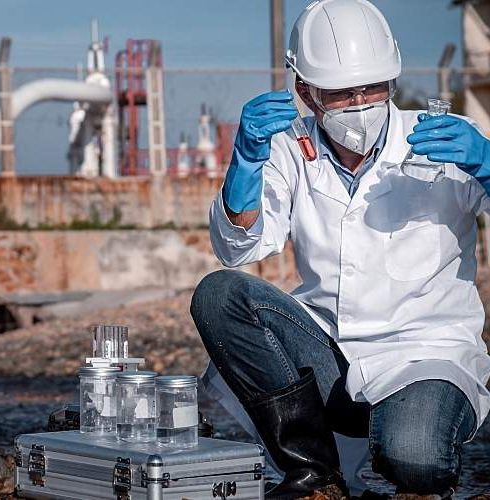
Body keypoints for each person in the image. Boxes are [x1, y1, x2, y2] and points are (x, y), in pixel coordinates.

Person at [190, 0, 490, 497]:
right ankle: (315, 473)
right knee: (220, 294)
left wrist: (486, 162)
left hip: (423, 354)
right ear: (305, 91)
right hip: (327, 354)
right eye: (341, 93)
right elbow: (238, 248)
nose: (359, 102)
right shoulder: (289, 146)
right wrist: (244, 162)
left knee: (415, 462)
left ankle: (406, 438)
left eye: (371, 87)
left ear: (392, 81)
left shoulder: (441, 139)